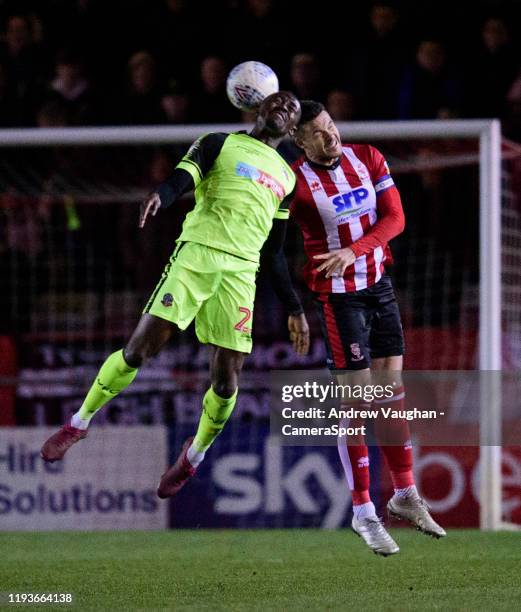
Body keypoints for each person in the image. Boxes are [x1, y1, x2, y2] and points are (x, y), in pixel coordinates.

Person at [40, 91, 310, 500]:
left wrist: (294, 307)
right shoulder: (219, 142)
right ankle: (77, 423)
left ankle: (193, 458)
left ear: (292, 127)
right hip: (196, 256)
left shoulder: (288, 178)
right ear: (259, 107)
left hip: (241, 273)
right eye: (278, 101)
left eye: (292, 109)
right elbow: (183, 178)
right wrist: (161, 196)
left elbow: (274, 251)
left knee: (225, 381)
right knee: (139, 351)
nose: (284, 108)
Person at [289, 100, 445, 555]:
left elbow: (395, 218)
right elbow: (274, 242)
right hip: (338, 299)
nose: (330, 135)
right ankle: (363, 512)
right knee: (355, 403)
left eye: (331, 125)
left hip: (378, 285)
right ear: (299, 140)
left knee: (391, 393)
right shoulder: (294, 183)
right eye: (317, 132)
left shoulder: (369, 157)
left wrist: (355, 252)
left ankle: (405, 494)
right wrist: (290, 303)